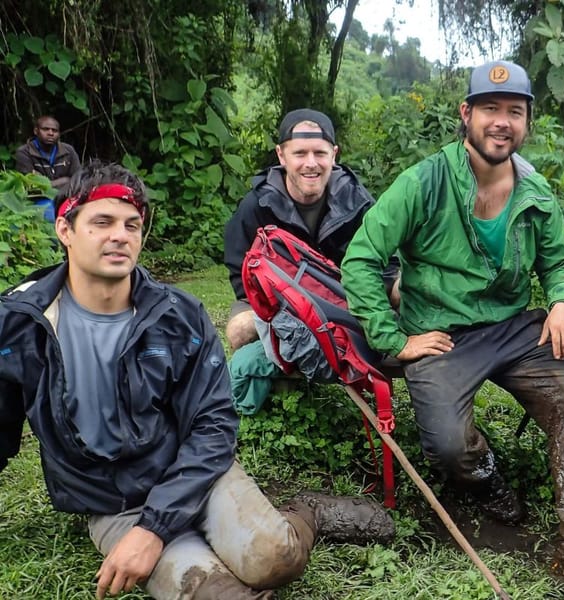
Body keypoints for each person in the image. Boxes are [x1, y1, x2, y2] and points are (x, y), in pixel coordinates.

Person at [0, 161, 394, 600]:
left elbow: (213, 426)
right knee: (216, 594)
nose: (119, 235)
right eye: (102, 222)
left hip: (193, 474)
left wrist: (154, 529)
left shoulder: (178, 316)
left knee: (276, 558)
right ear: (65, 230)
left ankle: (310, 513)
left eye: (132, 224)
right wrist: (141, 527)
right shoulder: (19, 324)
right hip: (111, 503)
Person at [340, 60, 564, 599]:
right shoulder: (424, 182)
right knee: (450, 445)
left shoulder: (535, 190)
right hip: (441, 332)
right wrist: (393, 340)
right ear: (467, 114)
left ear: (526, 122)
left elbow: (558, 263)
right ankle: (487, 480)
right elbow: (361, 259)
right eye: (490, 110)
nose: (501, 122)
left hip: (513, 328)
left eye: (514, 112)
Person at [223, 108, 398, 351]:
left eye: (319, 153)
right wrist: (288, 305)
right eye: (300, 153)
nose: (311, 163)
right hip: (280, 307)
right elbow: (240, 271)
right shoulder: (256, 205)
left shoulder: (358, 201)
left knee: (404, 291)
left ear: (334, 155)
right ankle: (279, 368)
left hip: (345, 302)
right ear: (281, 156)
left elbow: (388, 265)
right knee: (239, 330)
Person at [14, 115, 81, 221]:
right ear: (36, 131)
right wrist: (64, 181)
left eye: (55, 130)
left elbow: (78, 178)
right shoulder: (24, 152)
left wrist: (45, 183)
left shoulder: (68, 150)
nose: (51, 133)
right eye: (45, 129)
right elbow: (31, 186)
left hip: (66, 196)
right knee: (50, 216)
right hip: (38, 198)